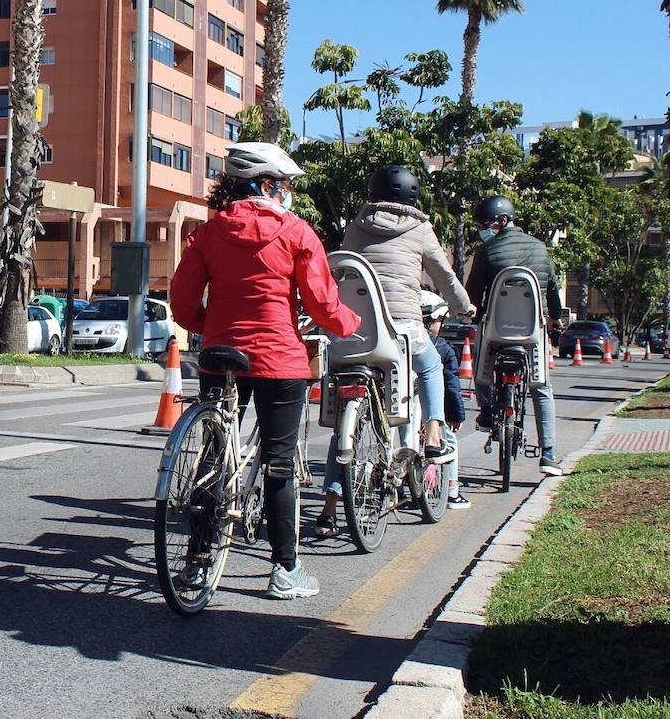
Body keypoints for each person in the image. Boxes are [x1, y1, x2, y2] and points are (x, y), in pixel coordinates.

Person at [170, 141, 360, 601]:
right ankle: (284, 570)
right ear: (269, 186)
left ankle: (197, 563)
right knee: (279, 462)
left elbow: (181, 301)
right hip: (279, 359)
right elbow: (320, 300)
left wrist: (209, 327)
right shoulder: (297, 233)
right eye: (286, 185)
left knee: (213, 457)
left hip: (220, 357)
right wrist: (347, 325)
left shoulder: (208, 234)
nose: (288, 193)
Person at [312, 166, 474, 537]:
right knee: (432, 366)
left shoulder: (355, 225)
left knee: (343, 427)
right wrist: (463, 305)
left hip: (354, 332)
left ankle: (330, 508)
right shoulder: (420, 229)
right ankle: (433, 432)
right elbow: (445, 277)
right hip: (401, 331)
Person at [465, 195, 563, 476]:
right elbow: (553, 291)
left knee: (481, 368)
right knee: (541, 386)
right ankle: (549, 454)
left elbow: (474, 296)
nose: (485, 231)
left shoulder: (488, 251)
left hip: (496, 331)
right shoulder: (541, 249)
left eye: (487, 225)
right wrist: (554, 319)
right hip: (534, 332)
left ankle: (486, 411)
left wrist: (474, 312)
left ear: (503, 221)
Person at [423, 290, 471, 509]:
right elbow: (452, 385)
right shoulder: (442, 347)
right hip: (435, 409)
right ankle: (452, 490)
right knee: (449, 440)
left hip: (407, 407)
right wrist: (456, 414)